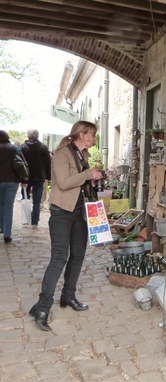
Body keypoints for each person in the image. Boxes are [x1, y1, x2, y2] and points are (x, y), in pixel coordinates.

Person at [29, 121, 103, 331]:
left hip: (80, 212)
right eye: (92, 135)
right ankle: (43, 307)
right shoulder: (63, 153)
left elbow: (79, 183)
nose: (94, 138)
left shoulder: (83, 155)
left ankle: (68, 296)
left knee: (78, 255)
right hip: (62, 212)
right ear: (82, 134)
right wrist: (88, 175)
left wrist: (92, 178)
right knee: (59, 257)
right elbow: (62, 182)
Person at [20, 129, 52, 228]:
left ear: (28, 135)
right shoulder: (43, 147)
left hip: (26, 177)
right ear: (37, 136)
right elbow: (48, 163)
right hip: (39, 176)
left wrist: (20, 177)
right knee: (37, 200)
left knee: (25, 198)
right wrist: (48, 176)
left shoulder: (23, 147)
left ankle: (26, 219)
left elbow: (19, 164)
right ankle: (34, 221)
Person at [0, 130, 21, 243]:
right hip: (12, 180)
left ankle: (2, 228)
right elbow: (19, 163)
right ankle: (7, 234)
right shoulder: (14, 148)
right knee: (9, 207)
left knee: (1, 205)